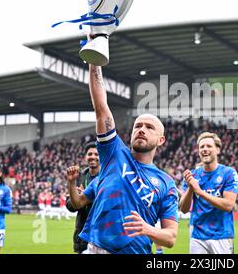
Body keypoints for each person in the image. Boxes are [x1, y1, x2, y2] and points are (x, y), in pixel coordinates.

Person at [66, 59, 179, 254]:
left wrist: (148, 229)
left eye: (149, 127)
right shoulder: (114, 154)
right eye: (138, 126)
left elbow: (170, 238)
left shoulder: (166, 183)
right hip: (95, 248)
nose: (142, 130)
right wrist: (95, 60)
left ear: (161, 140)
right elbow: (101, 108)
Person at [179, 132, 238, 254]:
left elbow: (228, 205)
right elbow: (184, 209)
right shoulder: (192, 175)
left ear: (217, 150)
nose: (205, 149)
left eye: (209, 146)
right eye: (202, 147)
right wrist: (191, 188)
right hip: (198, 236)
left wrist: (200, 192)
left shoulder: (228, 173)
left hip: (222, 235)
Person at [65, 142, 101, 253]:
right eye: (90, 154)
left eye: (96, 154)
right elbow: (70, 206)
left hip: (101, 234)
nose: (93, 157)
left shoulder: (108, 177)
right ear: (85, 157)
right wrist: (72, 188)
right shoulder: (78, 177)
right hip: (82, 235)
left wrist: (86, 197)